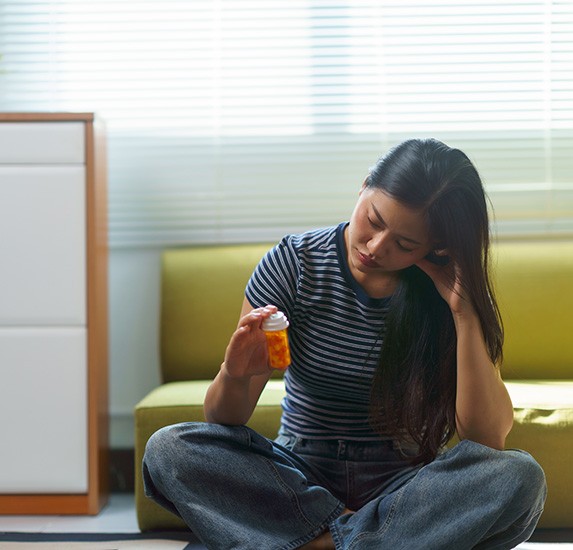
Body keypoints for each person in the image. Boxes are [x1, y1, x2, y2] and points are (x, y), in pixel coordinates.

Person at [143, 138, 547, 549]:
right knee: (168, 450)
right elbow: (223, 419)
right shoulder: (294, 264)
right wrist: (233, 373)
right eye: (373, 220)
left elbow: (486, 439)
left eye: (405, 245)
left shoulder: (448, 294)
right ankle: (367, 539)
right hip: (301, 473)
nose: (375, 247)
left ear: (437, 247)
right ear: (364, 186)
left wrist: (464, 313)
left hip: (405, 486)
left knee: (520, 478)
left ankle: (319, 543)